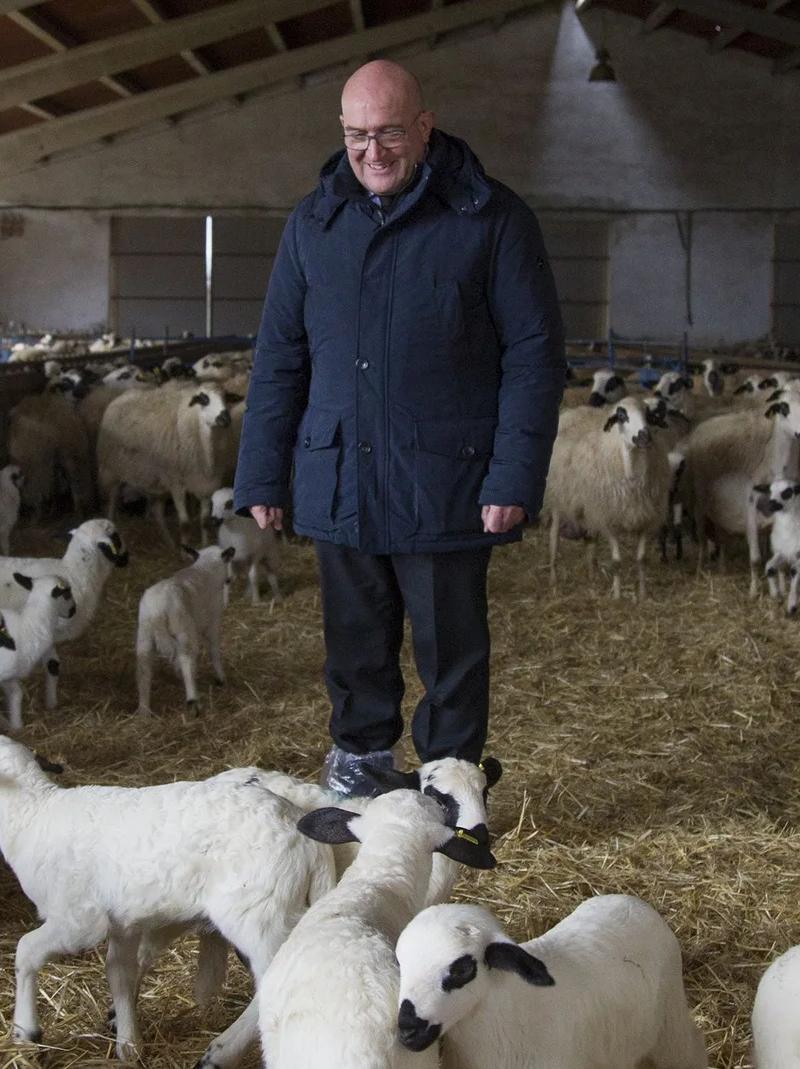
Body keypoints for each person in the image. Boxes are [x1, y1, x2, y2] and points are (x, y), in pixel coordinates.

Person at [233, 60, 564, 795]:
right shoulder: (313, 225)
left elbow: (536, 358)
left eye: (387, 133)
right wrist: (261, 472)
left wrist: (512, 476)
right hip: (341, 474)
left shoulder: (491, 219)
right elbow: (279, 355)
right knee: (353, 643)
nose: (372, 153)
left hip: (446, 481)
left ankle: (448, 786)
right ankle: (360, 769)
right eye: (356, 136)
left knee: (451, 651)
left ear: (424, 125)